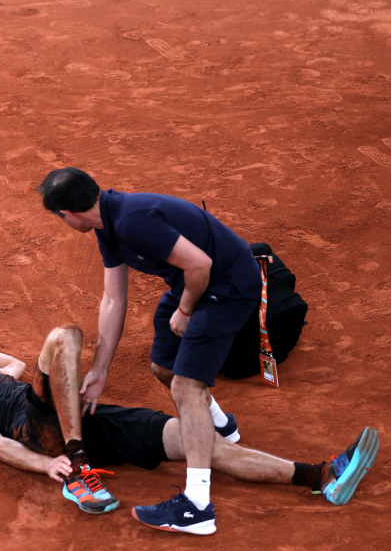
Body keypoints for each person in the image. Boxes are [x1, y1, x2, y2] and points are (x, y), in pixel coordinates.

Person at [0, 326, 378, 535]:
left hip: (81, 420)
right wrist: (47, 462)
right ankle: (77, 463)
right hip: (40, 425)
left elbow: (10, 363)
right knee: (64, 336)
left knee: (194, 440)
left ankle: (320, 476)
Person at [37, 167, 263, 530]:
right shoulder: (107, 223)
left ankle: (197, 507)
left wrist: (186, 310)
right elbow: (113, 299)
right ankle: (221, 426)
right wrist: (100, 370)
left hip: (225, 287)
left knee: (185, 386)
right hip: (190, 284)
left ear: (68, 214)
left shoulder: (132, 221)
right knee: (163, 366)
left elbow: (201, 264)